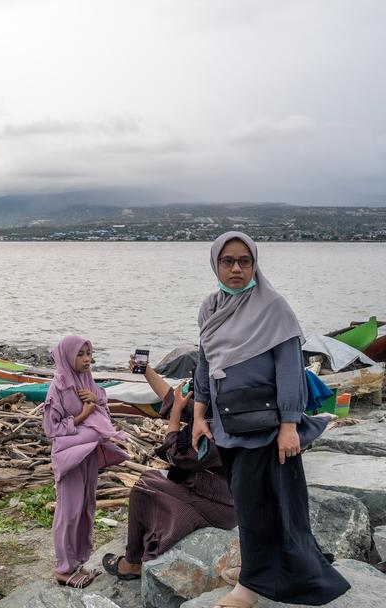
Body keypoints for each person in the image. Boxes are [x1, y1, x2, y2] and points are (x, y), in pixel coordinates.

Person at [191, 232, 350, 608]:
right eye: (227, 260)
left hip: (265, 428)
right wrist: (199, 416)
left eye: (244, 261)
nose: (235, 268)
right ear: (215, 264)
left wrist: (289, 425)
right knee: (252, 503)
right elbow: (205, 363)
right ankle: (266, 567)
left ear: (254, 264)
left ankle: (251, 588)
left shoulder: (273, 307)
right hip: (228, 424)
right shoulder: (210, 307)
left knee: (259, 504)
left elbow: (291, 369)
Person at [102, 358, 237, 580]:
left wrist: (176, 412)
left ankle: (131, 563)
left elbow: (176, 454)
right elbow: (170, 397)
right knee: (155, 479)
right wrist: (145, 370)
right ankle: (146, 545)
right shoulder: (222, 412)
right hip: (219, 496)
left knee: (144, 486)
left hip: (219, 506)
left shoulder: (215, 429)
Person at [43, 335, 129, 588]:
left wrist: (95, 402)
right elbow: (51, 429)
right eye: (80, 354)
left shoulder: (87, 382)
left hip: (88, 454)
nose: (87, 359)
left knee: (85, 508)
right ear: (68, 356)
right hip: (70, 458)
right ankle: (63, 569)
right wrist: (83, 414)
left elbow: (104, 415)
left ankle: (77, 563)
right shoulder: (58, 387)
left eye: (89, 354)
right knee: (68, 511)